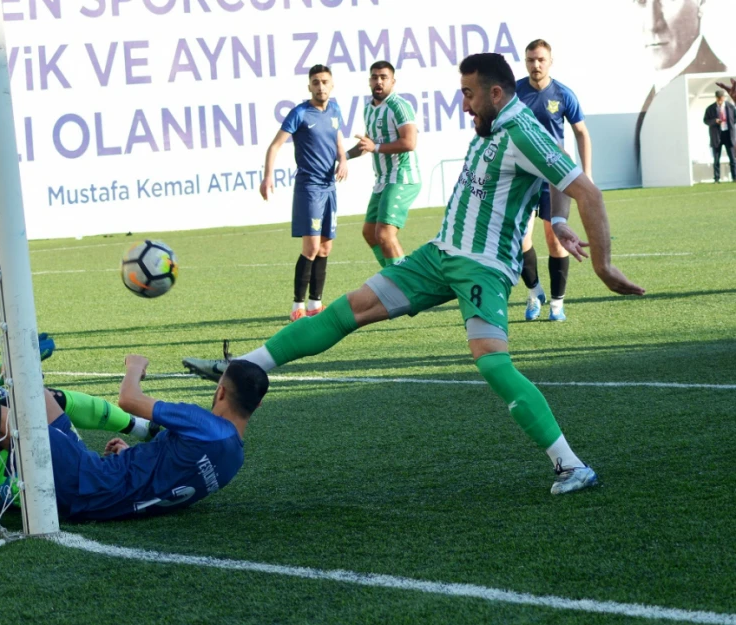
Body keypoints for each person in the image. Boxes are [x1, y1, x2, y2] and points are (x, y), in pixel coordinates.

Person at [182, 54, 646, 496]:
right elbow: (551, 179)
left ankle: (570, 464)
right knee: (350, 308)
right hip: (440, 253)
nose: (463, 104)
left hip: (481, 265)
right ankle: (245, 367)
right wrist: (559, 220)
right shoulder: (496, 124)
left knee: (490, 359)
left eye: (469, 94)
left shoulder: (523, 129)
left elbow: (585, 189)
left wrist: (602, 265)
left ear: (497, 93)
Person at [0, 354, 268, 531]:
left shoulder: (205, 424)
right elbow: (171, 477)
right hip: (108, 486)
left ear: (219, 393)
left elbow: (129, 400)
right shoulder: (233, 457)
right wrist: (132, 456)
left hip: (90, 483)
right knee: (36, 396)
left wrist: (135, 368)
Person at [260, 64, 348, 322]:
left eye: (325, 82)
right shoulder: (300, 113)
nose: (321, 86)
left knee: (325, 248)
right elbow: (274, 146)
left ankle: (315, 304)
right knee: (310, 247)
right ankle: (297, 305)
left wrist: (342, 158)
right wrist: (268, 176)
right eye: (316, 82)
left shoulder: (335, 110)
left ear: (331, 85)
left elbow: (337, 138)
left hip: (329, 186)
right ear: (309, 86)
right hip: (309, 188)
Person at [515, 39, 592, 322]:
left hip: (554, 174)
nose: (535, 65)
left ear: (550, 61)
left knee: (554, 237)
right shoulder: (515, 93)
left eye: (540, 60)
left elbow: (581, 132)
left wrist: (587, 173)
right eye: (530, 60)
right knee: (520, 238)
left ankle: (557, 303)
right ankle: (534, 292)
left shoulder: (563, 94)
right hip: (523, 176)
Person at [346, 60, 421, 269]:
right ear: (369, 80)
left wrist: (375, 147)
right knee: (370, 233)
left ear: (393, 81)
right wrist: (342, 157)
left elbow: (409, 142)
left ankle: (404, 286)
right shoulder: (369, 109)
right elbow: (367, 144)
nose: (378, 82)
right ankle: (394, 279)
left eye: (383, 77)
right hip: (383, 180)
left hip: (402, 177)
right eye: (374, 77)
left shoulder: (399, 106)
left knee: (385, 233)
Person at [634, 0, 725, 153]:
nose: (652, 24)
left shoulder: (719, 77)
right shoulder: (647, 93)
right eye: (641, 1)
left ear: (701, 3)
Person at [704, 89, 736, 183]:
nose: (720, 100)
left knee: (732, 158)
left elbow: (734, 118)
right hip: (717, 135)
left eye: (721, 98)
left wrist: (729, 124)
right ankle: (717, 178)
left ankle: (734, 177)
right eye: (718, 98)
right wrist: (715, 121)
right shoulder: (710, 108)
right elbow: (706, 120)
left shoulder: (730, 107)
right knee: (716, 158)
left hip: (728, 134)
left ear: (724, 97)